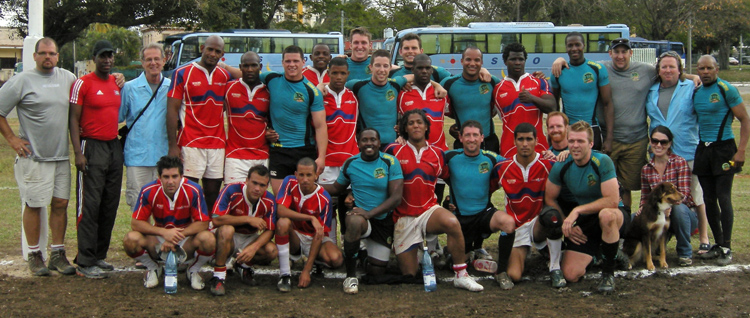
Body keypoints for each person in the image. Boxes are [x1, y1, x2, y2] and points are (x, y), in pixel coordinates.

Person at [0, 37, 76, 276]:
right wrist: (12, 139)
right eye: (43, 53)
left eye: (52, 53)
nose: (48, 57)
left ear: (57, 56)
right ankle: (34, 255)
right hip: (34, 157)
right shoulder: (22, 81)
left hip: (61, 156)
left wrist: (117, 78)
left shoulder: (68, 78)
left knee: (61, 204)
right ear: (34, 56)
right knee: (34, 204)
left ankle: (57, 253)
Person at [385, 109, 484, 292]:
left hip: (428, 211)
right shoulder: (392, 150)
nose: (416, 125)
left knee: (452, 223)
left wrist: (451, 202)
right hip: (403, 217)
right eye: (411, 123)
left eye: (419, 122)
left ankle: (461, 274)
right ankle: (419, 251)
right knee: (410, 273)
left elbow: (450, 179)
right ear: (404, 129)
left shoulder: (438, 153)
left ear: (426, 127)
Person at [545, 121, 627, 294]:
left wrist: (576, 211)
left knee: (607, 216)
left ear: (591, 143)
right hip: (588, 219)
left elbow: (612, 201)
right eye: (572, 141)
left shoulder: (602, 161)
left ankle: (608, 274)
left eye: (581, 141)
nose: (575, 145)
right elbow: (550, 199)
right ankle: (603, 252)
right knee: (570, 274)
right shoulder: (561, 165)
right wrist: (566, 223)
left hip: (615, 215)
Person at [322, 128, 403, 294]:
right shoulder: (351, 163)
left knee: (376, 272)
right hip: (362, 220)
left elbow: (396, 198)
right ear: (358, 143)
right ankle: (350, 276)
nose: (369, 143)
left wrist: (370, 213)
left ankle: (363, 254)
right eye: (364, 140)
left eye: (373, 140)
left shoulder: (390, 162)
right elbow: (337, 187)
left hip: (382, 219)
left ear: (379, 143)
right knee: (353, 219)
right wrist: (312, 186)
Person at [645, 51, 710, 255]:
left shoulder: (691, 87)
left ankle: (704, 237)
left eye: (672, 66)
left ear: (680, 69)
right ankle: (664, 234)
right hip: (660, 151)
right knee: (663, 196)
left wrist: (692, 77)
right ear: (658, 69)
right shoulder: (651, 90)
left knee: (695, 195)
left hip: (687, 149)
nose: (668, 70)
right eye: (664, 66)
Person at [69, 40, 123, 278]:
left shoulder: (115, 82)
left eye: (110, 56)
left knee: (109, 203)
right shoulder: (82, 83)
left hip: (113, 145)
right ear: (94, 58)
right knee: (89, 205)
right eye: (103, 56)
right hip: (91, 145)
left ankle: (99, 255)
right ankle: (85, 259)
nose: (107, 60)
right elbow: (73, 119)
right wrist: (78, 153)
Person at [122, 156, 216, 290]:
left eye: (174, 176)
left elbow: (203, 223)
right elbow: (136, 223)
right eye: (166, 177)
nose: (170, 181)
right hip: (159, 238)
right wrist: (164, 233)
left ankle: (193, 269)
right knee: (130, 239)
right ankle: (154, 268)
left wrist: (176, 236)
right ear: (159, 177)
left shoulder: (193, 189)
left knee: (209, 240)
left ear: (182, 176)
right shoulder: (148, 190)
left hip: (185, 238)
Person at [489, 123, 564, 289]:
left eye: (529, 139)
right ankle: (539, 251)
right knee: (514, 275)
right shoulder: (503, 168)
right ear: (514, 141)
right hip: (516, 229)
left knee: (552, 216)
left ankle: (555, 268)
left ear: (537, 141)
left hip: (539, 223)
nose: (525, 143)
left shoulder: (548, 165)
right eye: (521, 139)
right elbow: (485, 192)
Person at [692, 55, 750, 265]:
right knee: (708, 199)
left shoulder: (726, 89)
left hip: (724, 149)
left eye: (709, 68)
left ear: (716, 69)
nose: (705, 72)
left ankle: (727, 246)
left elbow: (745, 119)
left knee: (723, 197)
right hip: (704, 149)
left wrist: (741, 150)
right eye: (701, 68)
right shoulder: (696, 91)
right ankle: (717, 244)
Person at [167, 35, 231, 211]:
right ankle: (188, 230)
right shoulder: (182, 73)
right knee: (189, 191)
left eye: (217, 51)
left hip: (217, 144)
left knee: (212, 192)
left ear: (222, 54)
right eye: (210, 49)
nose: (212, 54)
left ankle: (208, 229)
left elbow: (250, 75)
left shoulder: (225, 75)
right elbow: (172, 110)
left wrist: (225, 66)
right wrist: (173, 145)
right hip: (191, 142)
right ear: (202, 48)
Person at [442, 121, 514, 274]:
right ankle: (470, 259)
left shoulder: (492, 158)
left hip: (483, 214)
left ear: (482, 138)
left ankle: (501, 271)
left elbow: (516, 164)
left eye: (475, 135)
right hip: (461, 219)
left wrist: (545, 155)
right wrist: (445, 203)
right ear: (460, 138)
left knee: (508, 223)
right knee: (455, 265)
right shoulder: (450, 157)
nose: (471, 139)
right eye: (467, 135)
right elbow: (428, 160)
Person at [261, 45, 327, 195]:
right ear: (282, 62)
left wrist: (321, 157)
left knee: (304, 199)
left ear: (303, 62)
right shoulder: (271, 79)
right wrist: (223, 66)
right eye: (288, 61)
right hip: (279, 150)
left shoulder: (312, 91)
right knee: (280, 200)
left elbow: (320, 126)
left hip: (304, 150)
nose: (292, 65)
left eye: (296, 61)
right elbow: (246, 73)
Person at [274, 158, 343, 292]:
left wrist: (307, 270)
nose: (305, 179)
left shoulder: (324, 198)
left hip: (315, 237)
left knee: (336, 259)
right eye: (301, 175)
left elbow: (319, 234)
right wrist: (310, 217)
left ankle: (313, 262)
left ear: (316, 175)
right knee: (283, 222)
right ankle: (284, 274)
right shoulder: (289, 182)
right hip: (295, 234)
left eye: (309, 175)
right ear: (295, 174)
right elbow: (280, 210)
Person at [211, 165, 278, 295]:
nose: (257, 188)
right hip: (228, 237)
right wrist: (247, 219)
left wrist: (254, 247)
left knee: (272, 251)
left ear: (267, 186)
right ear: (246, 180)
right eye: (254, 183)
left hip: (249, 238)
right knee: (227, 230)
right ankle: (218, 276)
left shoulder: (269, 200)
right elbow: (216, 219)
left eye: (262, 185)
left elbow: (270, 230)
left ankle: (243, 266)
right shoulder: (231, 190)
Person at [119, 43, 171, 209]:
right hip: (137, 157)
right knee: (139, 205)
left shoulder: (172, 87)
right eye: (149, 59)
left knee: (163, 207)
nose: (153, 63)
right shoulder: (129, 88)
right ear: (142, 62)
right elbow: (117, 117)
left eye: (157, 59)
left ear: (164, 60)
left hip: (164, 157)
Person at [640, 126, 698, 266]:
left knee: (678, 210)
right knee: (635, 218)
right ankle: (643, 251)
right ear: (650, 142)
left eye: (663, 142)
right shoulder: (646, 169)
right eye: (655, 141)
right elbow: (645, 198)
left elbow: (683, 195)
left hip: (683, 214)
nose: (658, 145)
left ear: (670, 144)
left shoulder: (680, 162)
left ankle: (685, 253)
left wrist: (668, 206)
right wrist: (642, 209)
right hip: (659, 215)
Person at [550, 32, 614, 152]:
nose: (574, 48)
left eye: (577, 44)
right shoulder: (558, 71)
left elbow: (608, 103)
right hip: (568, 130)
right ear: (566, 47)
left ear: (584, 45)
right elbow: (554, 106)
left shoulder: (597, 69)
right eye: (570, 45)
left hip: (592, 129)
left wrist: (609, 138)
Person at [318, 57, 359, 242]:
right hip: (327, 162)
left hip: (350, 161)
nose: (338, 77)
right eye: (334, 73)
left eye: (343, 73)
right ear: (328, 73)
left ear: (348, 74)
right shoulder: (320, 95)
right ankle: (331, 243)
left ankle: (349, 244)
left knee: (348, 205)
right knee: (328, 205)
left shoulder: (353, 96)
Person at [493, 43, 556, 158]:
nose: (517, 62)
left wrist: (532, 98)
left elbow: (552, 107)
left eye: (521, 59)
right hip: (509, 150)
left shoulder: (539, 82)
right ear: (505, 61)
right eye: (513, 59)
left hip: (539, 149)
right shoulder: (497, 89)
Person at [223, 51, 271, 184]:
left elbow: (276, 120)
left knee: (257, 198)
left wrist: (271, 131)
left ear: (260, 67)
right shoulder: (229, 88)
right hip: (235, 155)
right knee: (234, 197)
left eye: (254, 65)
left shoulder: (269, 91)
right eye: (246, 66)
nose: (250, 69)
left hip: (261, 155)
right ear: (240, 67)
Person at [441, 47, 500, 152]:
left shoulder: (491, 81)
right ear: (462, 61)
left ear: (481, 62)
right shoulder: (449, 84)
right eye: (468, 59)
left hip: (489, 142)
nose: (472, 63)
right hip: (462, 142)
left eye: (477, 60)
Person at [346, 49, 409, 147]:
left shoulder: (395, 84)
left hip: (393, 144)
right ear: (371, 67)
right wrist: (320, 86)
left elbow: (414, 76)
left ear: (390, 68)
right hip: (368, 145)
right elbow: (335, 85)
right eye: (377, 65)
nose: (382, 70)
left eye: (385, 66)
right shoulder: (358, 86)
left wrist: (436, 85)